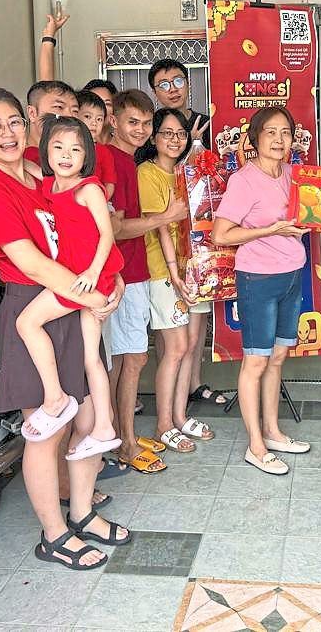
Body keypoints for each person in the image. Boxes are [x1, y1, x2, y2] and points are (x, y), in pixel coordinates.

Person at [0, 88, 131, 572]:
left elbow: (85, 234)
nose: (7, 132)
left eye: (14, 121)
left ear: (30, 123)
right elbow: (32, 263)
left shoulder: (43, 175)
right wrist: (94, 294)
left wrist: (112, 279)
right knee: (46, 432)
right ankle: (54, 533)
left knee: (83, 420)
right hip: (36, 302)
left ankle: (80, 513)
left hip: (74, 301)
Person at [13, 116, 124, 462]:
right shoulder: (53, 186)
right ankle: (104, 428)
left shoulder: (88, 188)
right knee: (91, 358)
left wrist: (92, 272)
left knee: (26, 323)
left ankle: (56, 398)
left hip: (86, 278)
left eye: (75, 149)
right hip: (77, 277)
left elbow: (107, 234)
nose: (66, 155)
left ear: (86, 155)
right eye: (58, 147)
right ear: (47, 150)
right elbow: (30, 169)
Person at [211, 105, 312, 475]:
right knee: (255, 360)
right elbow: (222, 234)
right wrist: (271, 230)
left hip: (291, 275)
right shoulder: (244, 180)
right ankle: (255, 445)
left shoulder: (295, 175)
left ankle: (272, 430)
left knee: (279, 357)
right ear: (254, 139)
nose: (278, 139)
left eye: (285, 132)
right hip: (257, 279)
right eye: (270, 132)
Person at [106, 89, 189, 472]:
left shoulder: (125, 161)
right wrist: (165, 218)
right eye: (132, 123)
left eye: (144, 122)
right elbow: (116, 228)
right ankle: (121, 441)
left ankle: (122, 434)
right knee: (130, 360)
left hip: (138, 272)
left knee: (129, 359)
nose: (138, 130)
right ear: (114, 121)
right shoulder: (113, 161)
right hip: (128, 272)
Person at [145, 59, 224, 408]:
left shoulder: (209, 123)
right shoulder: (151, 146)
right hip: (167, 260)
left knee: (195, 330)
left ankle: (192, 386)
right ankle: (173, 402)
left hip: (200, 248)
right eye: (164, 84)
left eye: (178, 80)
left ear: (189, 82)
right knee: (173, 336)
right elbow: (158, 218)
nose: (173, 88)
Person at [138, 107, 215, 453]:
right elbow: (161, 226)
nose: (174, 139)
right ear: (154, 137)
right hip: (162, 271)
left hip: (190, 269)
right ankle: (164, 423)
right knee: (176, 348)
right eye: (166, 133)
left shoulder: (187, 172)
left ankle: (180, 416)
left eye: (180, 134)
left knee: (189, 344)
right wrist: (173, 272)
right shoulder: (148, 173)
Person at [24, 80, 79, 165]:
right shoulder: (18, 159)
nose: (70, 116)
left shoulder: (77, 156)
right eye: (59, 107)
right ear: (32, 113)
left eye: (75, 111)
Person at [75, 90, 117, 200]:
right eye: (88, 117)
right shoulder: (66, 147)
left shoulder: (104, 152)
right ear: (75, 115)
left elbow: (110, 184)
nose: (94, 123)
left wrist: (100, 201)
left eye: (99, 119)